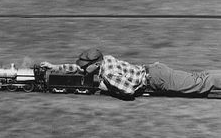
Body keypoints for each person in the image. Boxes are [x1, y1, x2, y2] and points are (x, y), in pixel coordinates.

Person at [41, 48, 221, 99]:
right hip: (154, 71)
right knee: (198, 78)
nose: (81, 68)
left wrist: (102, 85)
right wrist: (54, 67)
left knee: (199, 84)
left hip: (157, 79)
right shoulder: (105, 59)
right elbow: (77, 69)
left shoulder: (109, 74)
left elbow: (129, 92)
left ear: (95, 65)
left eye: (85, 65)